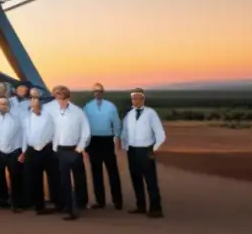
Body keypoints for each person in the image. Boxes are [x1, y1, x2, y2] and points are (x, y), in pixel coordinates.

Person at [121, 87, 166, 218]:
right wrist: (125, 146)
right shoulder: (129, 114)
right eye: (132, 98)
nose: (134, 100)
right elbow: (124, 131)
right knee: (136, 179)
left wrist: (154, 148)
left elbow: (160, 134)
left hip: (146, 150)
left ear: (143, 98)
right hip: (132, 150)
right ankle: (140, 206)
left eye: (137, 98)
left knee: (150, 180)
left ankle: (156, 209)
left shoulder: (151, 113)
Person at [50, 85, 91, 221]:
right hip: (60, 150)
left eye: (62, 97)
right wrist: (55, 148)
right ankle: (69, 209)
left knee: (78, 179)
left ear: (68, 97)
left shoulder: (78, 112)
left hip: (74, 150)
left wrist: (79, 148)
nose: (60, 100)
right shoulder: (54, 112)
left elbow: (86, 132)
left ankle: (79, 204)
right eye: (57, 97)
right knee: (64, 181)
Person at [83, 82, 123, 210]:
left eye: (99, 91)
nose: (97, 93)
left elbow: (116, 122)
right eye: (95, 91)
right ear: (93, 93)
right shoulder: (87, 107)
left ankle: (118, 201)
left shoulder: (110, 106)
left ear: (103, 92)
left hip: (107, 140)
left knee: (112, 170)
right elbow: (84, 125)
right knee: (96, 172)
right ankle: (100, 201)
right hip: (93, 141)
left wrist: (117, 137)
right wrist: (85, 143)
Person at [24, 90, 60, 214]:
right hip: (32, 150)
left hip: (48, 149)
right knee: (34, 179)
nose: (35, 102)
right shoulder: (27, 117)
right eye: (32, 99)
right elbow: (25, 135)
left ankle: (59, 203)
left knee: (55, 177)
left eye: (37, 99)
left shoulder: (49, 115)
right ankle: (39, 205)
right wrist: (24, 151)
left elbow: (55, 131)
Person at [0, 96, 26, 212]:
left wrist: (23, 152)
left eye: (4, 104)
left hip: (14, 151)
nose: (2, 106)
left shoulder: (16, 119)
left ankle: (17, 202)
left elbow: (23, 136)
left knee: (15, 178)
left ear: (9, 106)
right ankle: (3, 200)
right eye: (0, 104)